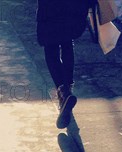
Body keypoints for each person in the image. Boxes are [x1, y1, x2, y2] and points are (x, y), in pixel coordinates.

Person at [37, 0, 89, 129]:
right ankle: (67, 89)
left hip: (50, 8)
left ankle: (64, 92)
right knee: (66, 42)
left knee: (50, 47)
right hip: (73, 7)